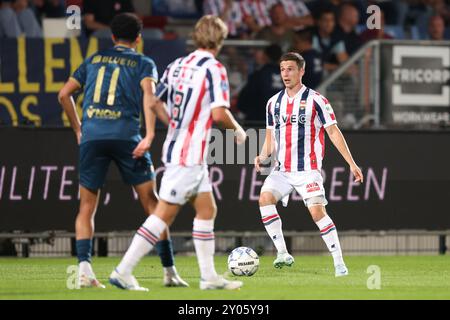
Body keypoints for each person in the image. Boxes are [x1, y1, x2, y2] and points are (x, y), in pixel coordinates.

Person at [109, 15, 247, 291]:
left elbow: (154, 100)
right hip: (189, 155)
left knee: (207, 208)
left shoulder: (176, 65)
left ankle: (208, 277)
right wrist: (238, 131)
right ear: (220, 40)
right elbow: (219, 113)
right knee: (163, 215)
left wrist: (172, 121)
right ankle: (123, 271)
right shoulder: (214, 68)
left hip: (180, 148)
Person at [58, 13, 187, 289]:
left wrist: (79, 129)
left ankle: (83, 271)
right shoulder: (143, 62)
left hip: (92, 137)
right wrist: (151, 134)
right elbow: (149, 98)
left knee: (86, 207)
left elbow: (63, 94)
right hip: (127, 137)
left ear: (112, 37)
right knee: (154, 206)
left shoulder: (93, 59)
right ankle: (168, 271)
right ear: (138, 38)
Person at [254, 52, 363, 277]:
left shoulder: (317, 100)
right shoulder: (273, 103)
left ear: (301, 71)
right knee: (264, 198)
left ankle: (339, 263)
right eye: (283, 69)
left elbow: (333, 131)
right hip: (282, 170)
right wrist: (262, 155)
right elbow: (270, 137)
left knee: (317, 213)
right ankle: (283, 253)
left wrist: (351, 163)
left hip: (308, 170)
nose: (286, 73)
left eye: (290, 69)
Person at [237, 44, 283, 122]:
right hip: (283, 123)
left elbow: (244, 99)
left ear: (265, 56)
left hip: (259, 122)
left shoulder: (258, 75)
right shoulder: (289, 76)